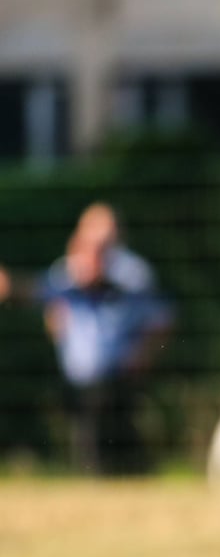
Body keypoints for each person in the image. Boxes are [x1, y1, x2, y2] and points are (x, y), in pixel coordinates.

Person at [42, 201, 172, 474]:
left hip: (120, 372)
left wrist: (142, 356)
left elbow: (158, 320)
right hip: (79, 374)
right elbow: (54, 312)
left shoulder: (133, 272)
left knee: (117, 437)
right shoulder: (66, 270)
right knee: (86, 439)